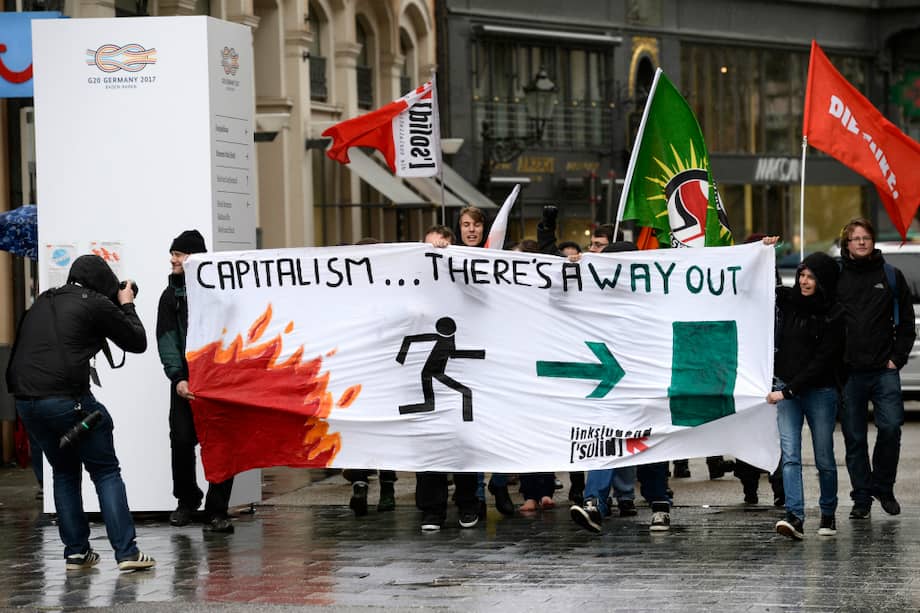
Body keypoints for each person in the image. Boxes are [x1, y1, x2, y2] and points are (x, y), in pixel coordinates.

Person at [6, 254, 156, 571]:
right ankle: (127, 553)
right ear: (102, 283)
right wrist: (126, 303)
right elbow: (137, 340)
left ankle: (76, 552)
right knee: (105, 470)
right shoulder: (93, 303)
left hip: (27, 405)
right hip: (68, 404)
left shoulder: (42, 302)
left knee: (63, 470)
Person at [836, 217, 915, 519]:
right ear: (847, 243)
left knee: (891, 427)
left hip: (884, 370)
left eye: (866, 237)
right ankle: (862, 498)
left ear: (872, 242)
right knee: (854, 438)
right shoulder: (836, 276)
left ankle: (883, 485)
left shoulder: (891, 276)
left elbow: (906, 324)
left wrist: (897, 358)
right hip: (849, 373)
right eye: (855, 238)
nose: (861, 242)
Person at [157, 230, 235, 533]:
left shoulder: (221, 294)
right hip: (185, 384)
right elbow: (167, 340)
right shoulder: (170, 297)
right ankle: (187, 500)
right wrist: (178, 378)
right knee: (181, 441)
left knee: (221, 444)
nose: (173, 259)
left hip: (218, 385)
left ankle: (217, 510)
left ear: (195, 259)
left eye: (179, 254)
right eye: (173, 254)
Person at [768, 249, 844, 540]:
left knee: (824, 457)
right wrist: (764, 251)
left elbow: (823, 360)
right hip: (785, 389)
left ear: (823, 280)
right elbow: (759, 282)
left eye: (811, 276)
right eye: (801, 274)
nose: (804, 281)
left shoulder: (835, 314)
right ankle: (794, 516)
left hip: (819, 392)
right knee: (790, 456)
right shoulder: (788, 302)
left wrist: (787, 391)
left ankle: (828, 513)